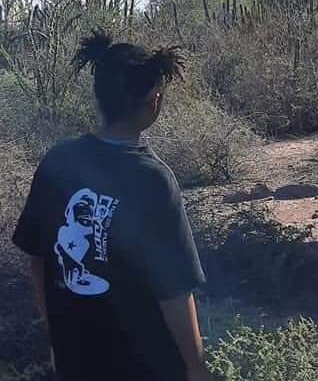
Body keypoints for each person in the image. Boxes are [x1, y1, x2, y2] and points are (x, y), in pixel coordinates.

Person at [13, 31, 215, 381]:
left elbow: (38, 259)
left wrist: (54, 337)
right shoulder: (152, 179)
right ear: (154, 99)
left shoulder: (57, 160)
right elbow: (174, 292)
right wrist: (196, 368)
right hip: (142, 364)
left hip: (75, 359)